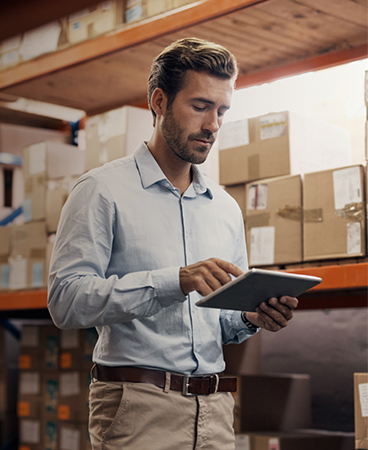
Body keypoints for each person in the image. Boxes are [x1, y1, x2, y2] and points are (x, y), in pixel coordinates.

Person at [47, 37, 299, 450]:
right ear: (160, 101)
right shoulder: (102, 190)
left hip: (215, 410)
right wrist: (175, 280)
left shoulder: (225, 208)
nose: (213, 124)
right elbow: (66, 301)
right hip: (137, 409)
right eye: (200, 106)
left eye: (222, 111)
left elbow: (221, 323)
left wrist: (253, 317)